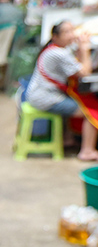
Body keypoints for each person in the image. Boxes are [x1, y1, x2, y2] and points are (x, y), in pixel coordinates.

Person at [26, 20, 98, 160]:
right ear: (55, 37)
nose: (72, 35)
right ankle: (87, 151)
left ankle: (68, 138)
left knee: (80, 101)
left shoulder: (57, 49)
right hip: (45, 98)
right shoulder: (59, 53)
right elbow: (85, 72)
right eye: (67, 32)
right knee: (90, 112)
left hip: (41, 95)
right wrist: (84, 48)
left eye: (72, 30)